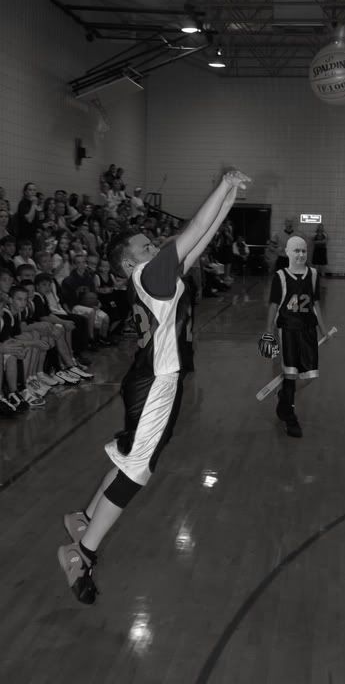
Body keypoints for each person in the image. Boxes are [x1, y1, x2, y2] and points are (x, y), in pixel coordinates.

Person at [57, 169, 251, 605]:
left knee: (133, 457)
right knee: (137, 469)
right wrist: (223, 185)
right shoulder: (149, 275)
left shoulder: (154, 277)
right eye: (145, 246)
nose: (154, 248)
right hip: (155, 383)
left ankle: (83, 517)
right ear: (128, 263)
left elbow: (199, 240)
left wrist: (229, 199)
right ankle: (81, 553)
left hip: (150, 378)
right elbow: (194, 229)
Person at [260, 235, 329, 438]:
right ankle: (290, 417)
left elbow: (316, 304)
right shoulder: (280, 276)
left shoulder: (313, 275)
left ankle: (284, 395)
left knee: (310, 376)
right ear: (288, 253)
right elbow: (273, 305)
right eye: (296, 250)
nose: (300, 254)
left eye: (303, 251)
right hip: (287, 329)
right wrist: (268, 331)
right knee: (290, 374)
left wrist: (323, 329)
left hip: (308, 329)